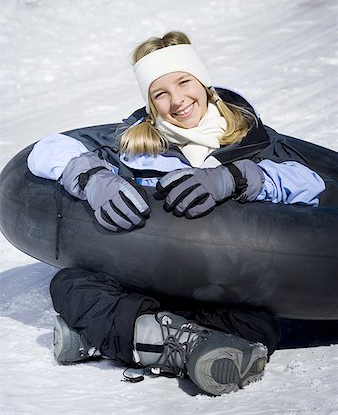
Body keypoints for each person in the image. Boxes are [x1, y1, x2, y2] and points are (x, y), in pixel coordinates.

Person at [27, 31, 325, 396]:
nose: (177, 100)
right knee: (71, 286)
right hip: (145, 278)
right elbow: (48, 148)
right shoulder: (135, 146)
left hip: (223, 286)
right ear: (150, 103)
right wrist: (91, 177)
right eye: (160, 93)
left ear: (204, 83)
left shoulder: (249, 138)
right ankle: (191, 347)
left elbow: (311, 185)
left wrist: (234, 176)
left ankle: (120, 337)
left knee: (260, 323)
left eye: (184, 82)